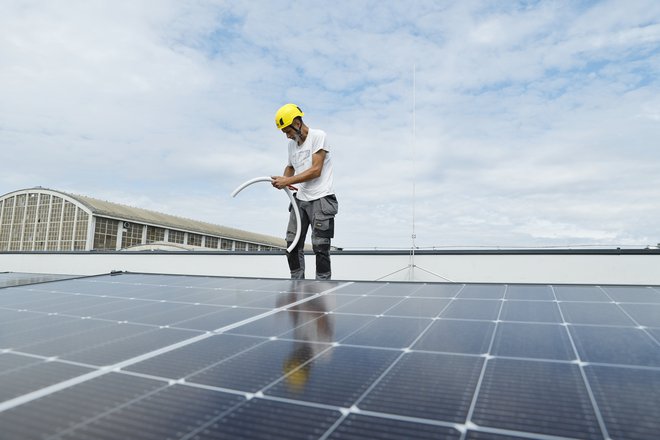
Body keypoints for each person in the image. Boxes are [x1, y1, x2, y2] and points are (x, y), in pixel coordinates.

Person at [271, 103, 338, 280]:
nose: (287, 136)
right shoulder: (292, 146)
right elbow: (290, 167)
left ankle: (322, 287)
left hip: (321, 199)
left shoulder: (318, 136)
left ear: (297, 122)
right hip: (299, 200)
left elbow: (316, 170)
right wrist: (284, 181)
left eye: (288, 131)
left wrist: (289, 180)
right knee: (292, 244)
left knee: (321, 246)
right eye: (284, 132)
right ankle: (296, 284)